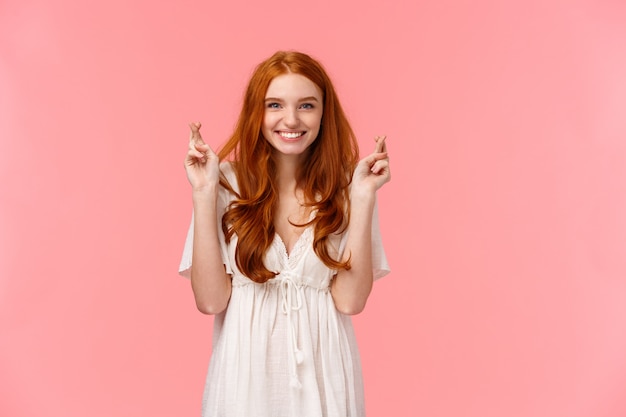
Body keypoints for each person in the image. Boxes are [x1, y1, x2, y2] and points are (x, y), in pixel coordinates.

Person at [179, 50, 391, 417]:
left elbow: (350, 302)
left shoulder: (348, 186)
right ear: (256, 113)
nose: (290, 119)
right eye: (274, 104)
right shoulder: (226, 183)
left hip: (326, 377)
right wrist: (203, 192)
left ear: (324, 114)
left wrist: (362, 196)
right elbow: (210, 301)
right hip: (244, 380)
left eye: (307, 105)